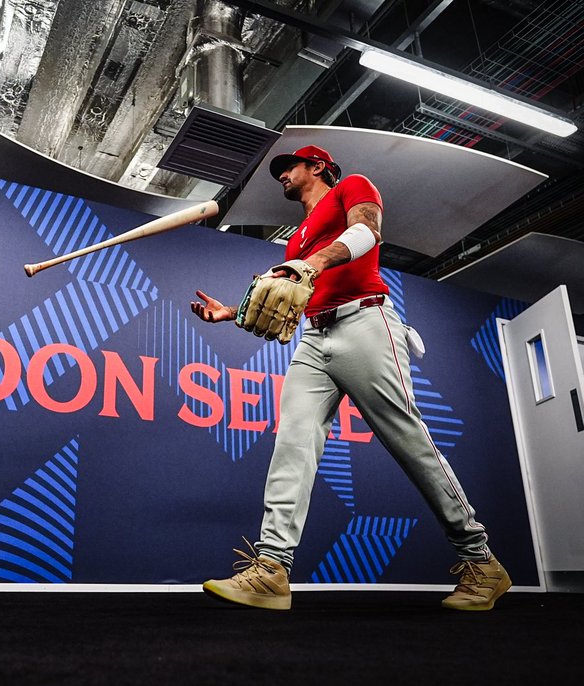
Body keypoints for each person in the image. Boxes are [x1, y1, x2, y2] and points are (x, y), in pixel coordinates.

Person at [189, 145, 510, 611]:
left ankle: (481, 560)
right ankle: (271, 570)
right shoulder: (295, 238)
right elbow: (291, 299)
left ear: (316, 166)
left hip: (366, 323)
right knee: (292, 443)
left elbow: (367, 232)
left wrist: (314, 263)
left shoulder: (351, 188)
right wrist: (232, 314)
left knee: (408, 441)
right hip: (315, 338)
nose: (282, 175)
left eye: (290, 167)